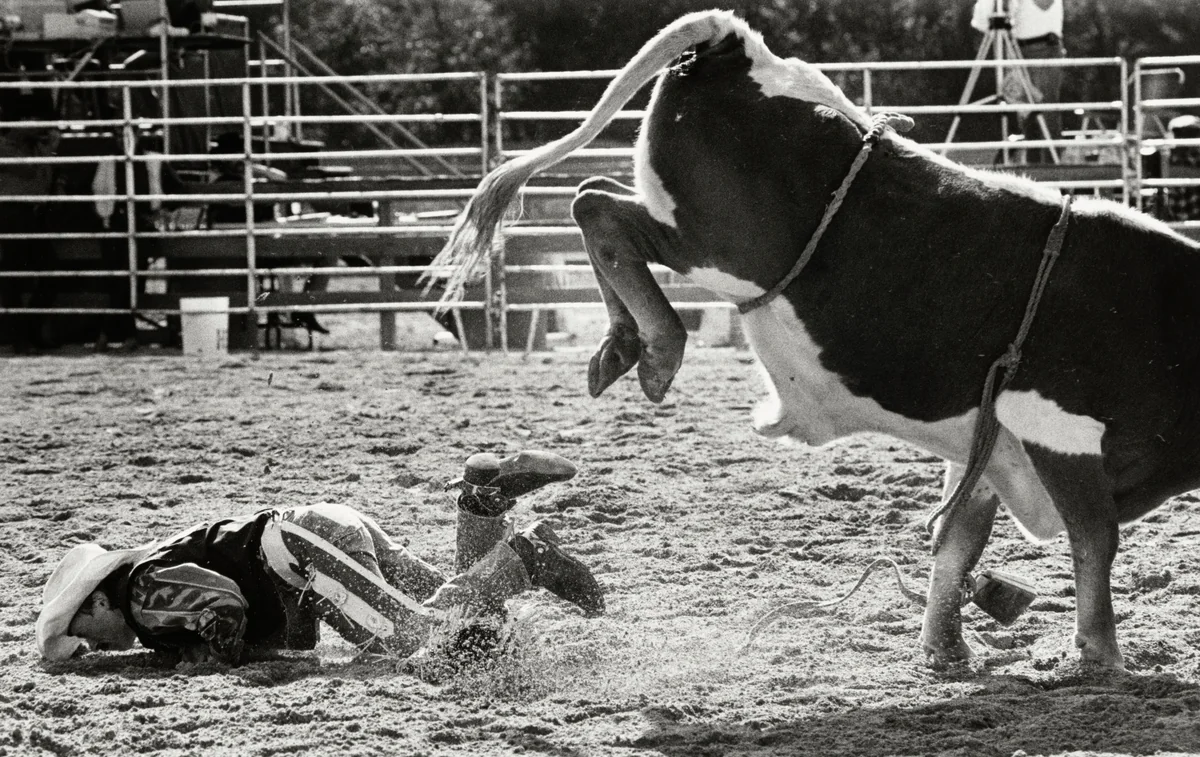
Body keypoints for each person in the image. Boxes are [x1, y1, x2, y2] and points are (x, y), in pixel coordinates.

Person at [37, 451, 604, 667]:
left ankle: (526, 555)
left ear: (99, 598)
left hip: (301, 551)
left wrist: (208, 660)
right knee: (459, 611)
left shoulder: (142, 598)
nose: (95, 644)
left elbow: (225, 605)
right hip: (315, 533)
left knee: (416, 638)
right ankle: (482, 501)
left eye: (83, 629)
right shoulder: (153, 568)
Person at [971, 0, 1066, 162]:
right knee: (1026, 113)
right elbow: (981, 22)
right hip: (1017, 49)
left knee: (1047, 110)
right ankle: (1033, 169)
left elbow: (1044, 4)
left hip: (1045, 47)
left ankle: (1054, 170)